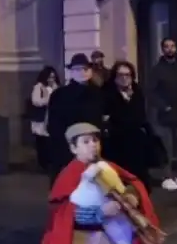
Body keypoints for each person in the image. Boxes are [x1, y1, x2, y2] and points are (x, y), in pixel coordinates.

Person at [47, 53, 105, 182]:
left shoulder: (99, 93)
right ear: (71, 72)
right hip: (68, 148)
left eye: (85, 69)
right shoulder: (59, 95)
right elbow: (54, 126)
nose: (82, 72)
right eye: (77, 69)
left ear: (90, 71)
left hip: (93, 146)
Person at [148, 38, 177, 191]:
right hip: (165, 115)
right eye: (166, 47)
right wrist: (163, 106)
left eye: (172, 46)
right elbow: (151, 92)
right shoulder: (157, 70)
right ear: (162, 49)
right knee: (166, 147)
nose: (170, 49)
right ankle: (167, 176)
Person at [102, 61, 153, 189]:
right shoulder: (107, 92)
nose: (124, 78)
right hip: (116, 142)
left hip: (135, 141)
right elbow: (109, 115)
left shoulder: (137, 91)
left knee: (139, 180)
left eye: (127, 75)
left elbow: (140, 114)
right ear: (114, 77)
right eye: (120, 75)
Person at [29, 66, 60, 171]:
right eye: (49, 77)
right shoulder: (39, 87)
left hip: (52, 117)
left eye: (53, 77)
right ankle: (43, 164)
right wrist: (48, 100)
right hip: (41, 119)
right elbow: (36, 101)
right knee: (41, 142)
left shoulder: (56, 87)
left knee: (50, 142)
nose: (51, 80)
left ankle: (50, 162)